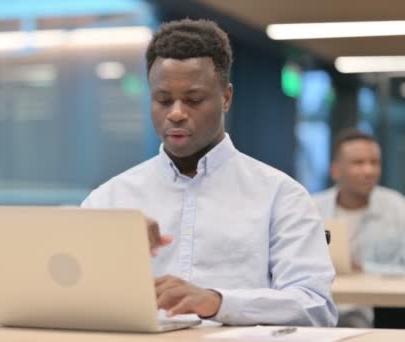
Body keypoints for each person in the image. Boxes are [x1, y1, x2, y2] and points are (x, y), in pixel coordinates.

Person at [80, 18, 337, 326]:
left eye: (193, 100)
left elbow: (316, 306)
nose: (175, 112)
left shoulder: (281, 195)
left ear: (226, 97)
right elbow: (73, 296)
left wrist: (218, 303)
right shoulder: (111, 198)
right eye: (163, 100)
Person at [313, 128, 405, 327]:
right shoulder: (312, 208)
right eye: (358, 163)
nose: (369, 171)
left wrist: (364, 268)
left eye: (374, 163)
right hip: (322, 309)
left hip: (379, 314)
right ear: (335, 170)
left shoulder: (397, 208)